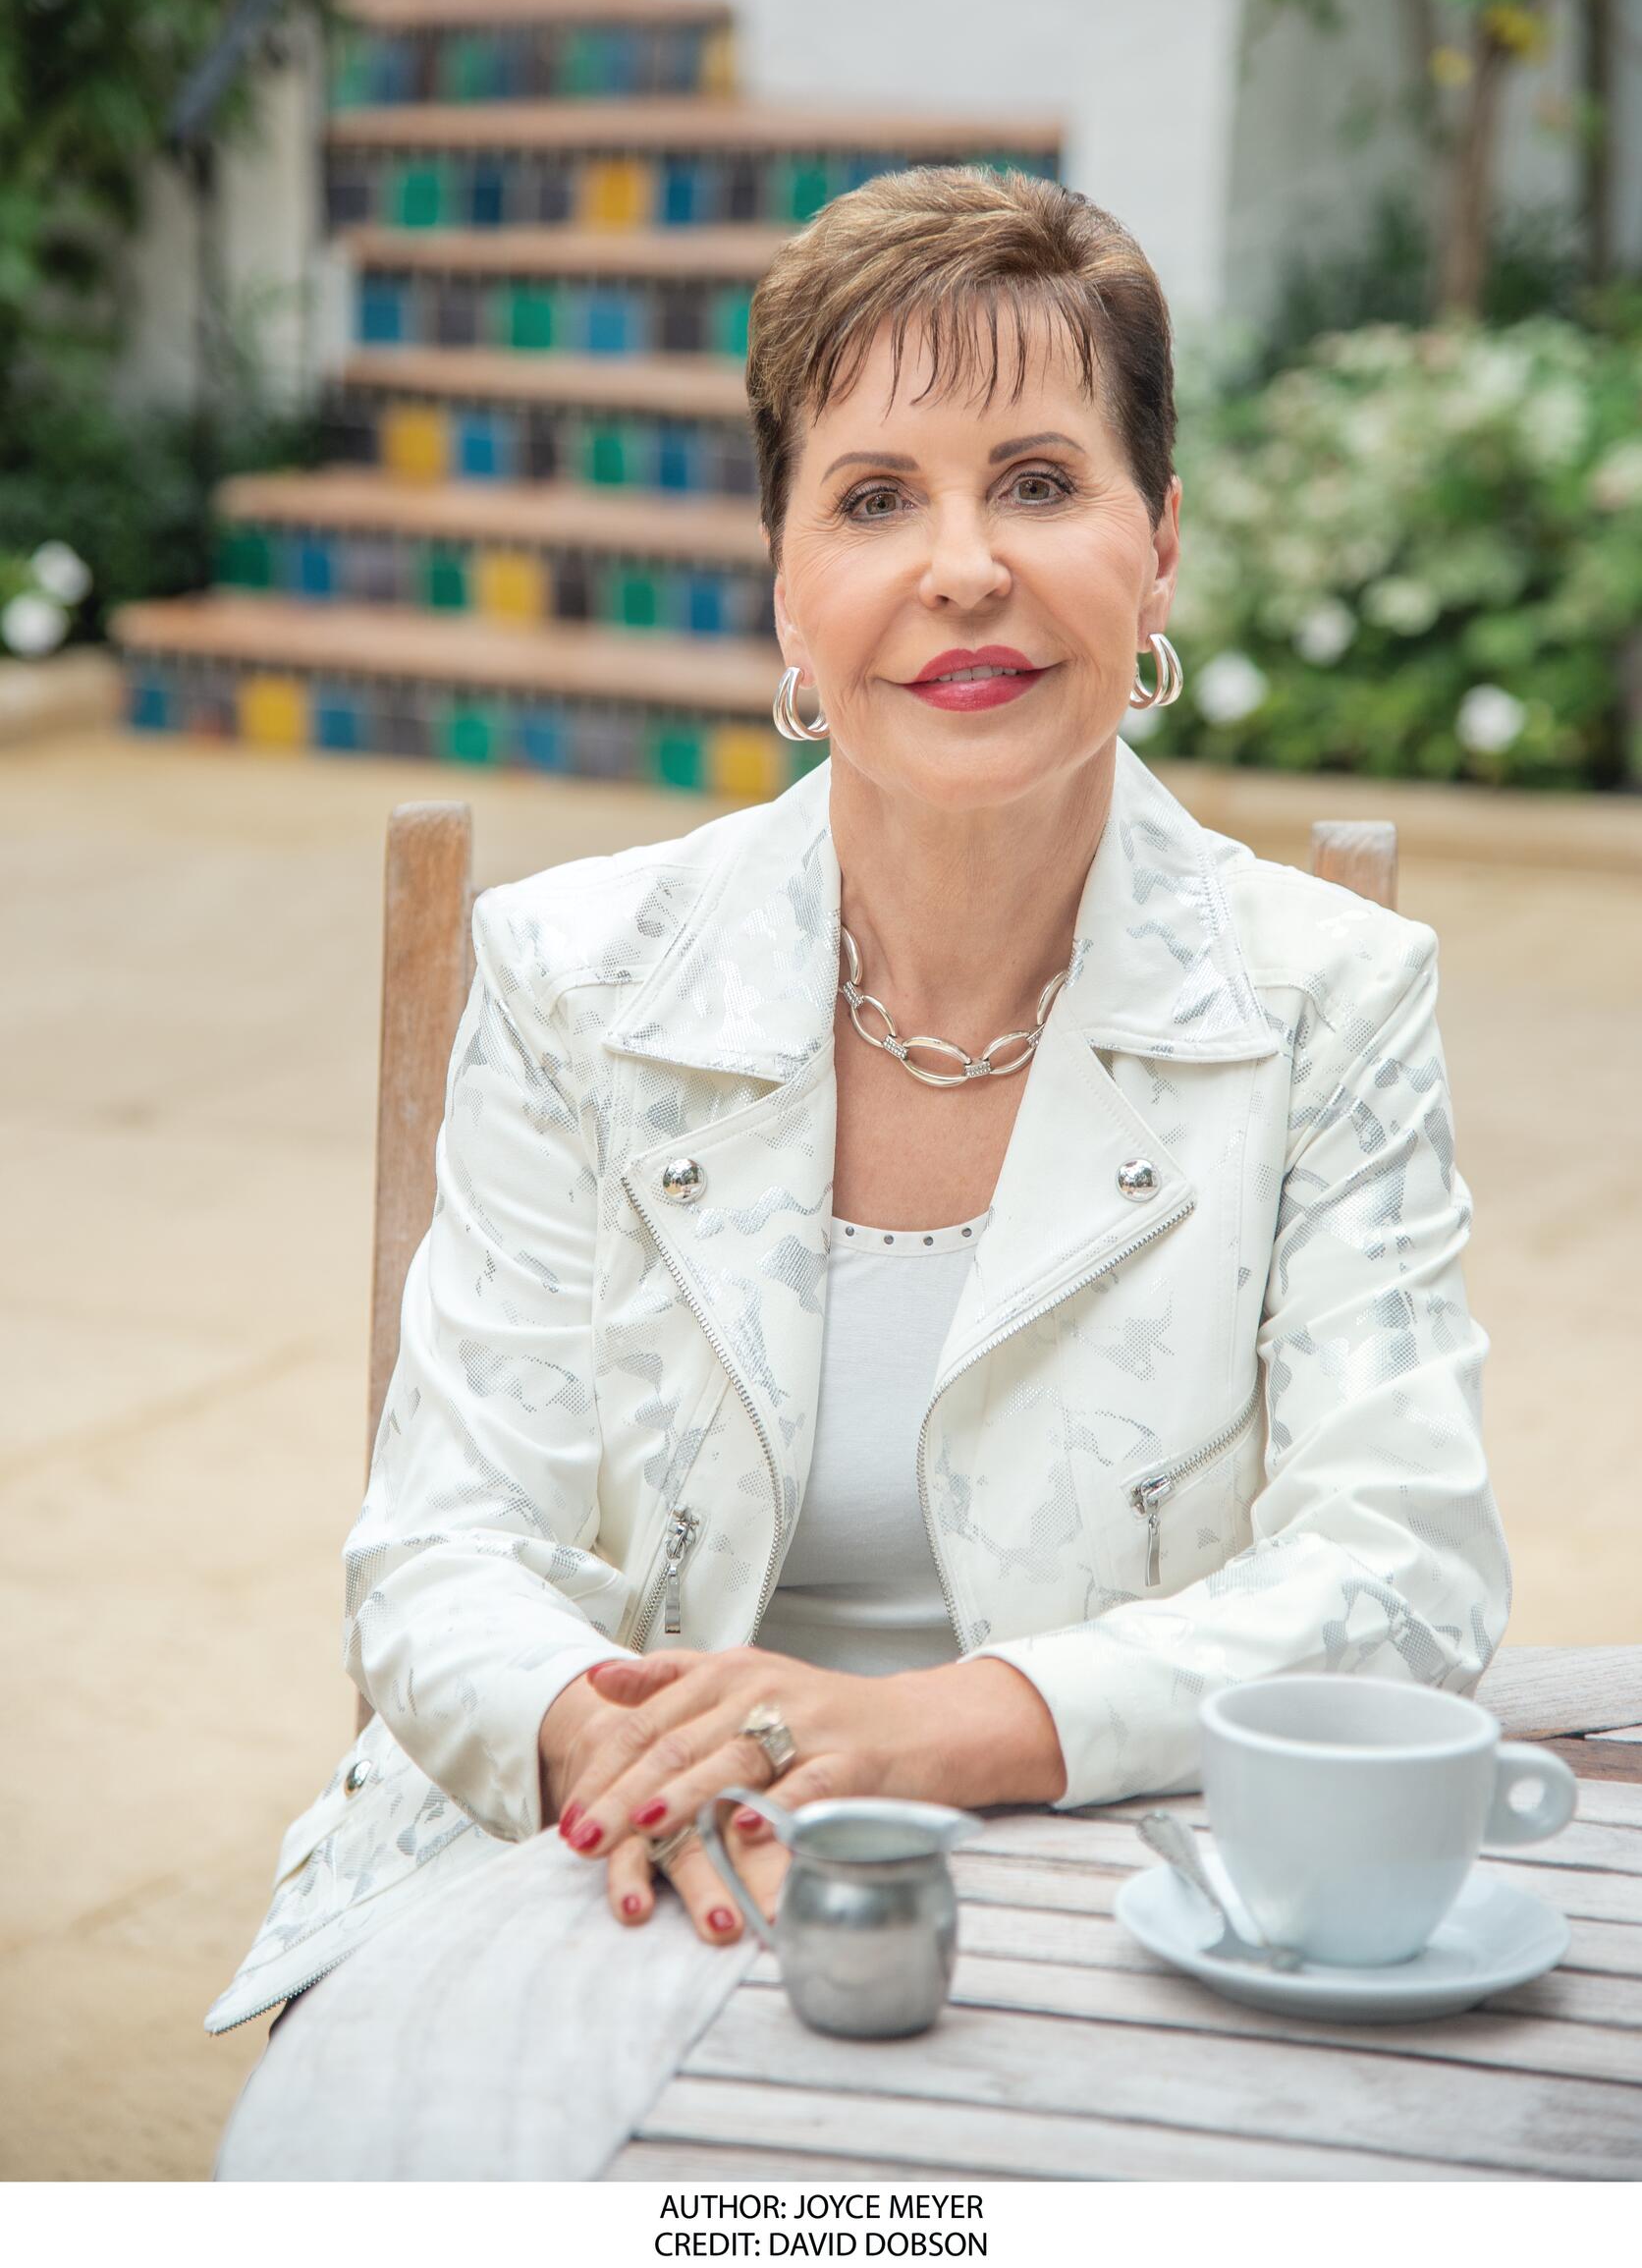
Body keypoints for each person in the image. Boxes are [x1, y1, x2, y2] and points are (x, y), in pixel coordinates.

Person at [207, 166, 1511, 2169]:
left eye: (1039, 483)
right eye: (876, 497)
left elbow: (1398, 1574)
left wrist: (915, 1729)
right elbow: (443, 1550)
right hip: (603, 1865)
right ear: (785, 588)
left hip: (1115, 1887)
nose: (963, 570)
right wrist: (611, 1746)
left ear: (1159, 545)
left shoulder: (1324, 1001)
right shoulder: (576, 980)